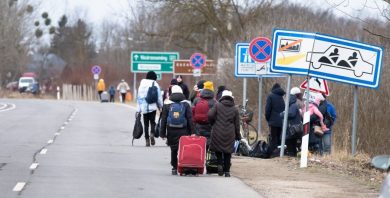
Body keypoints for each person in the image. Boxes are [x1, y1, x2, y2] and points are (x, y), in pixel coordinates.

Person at [160, 85, 193, 175]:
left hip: (171, 129)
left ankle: (174, 168)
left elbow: (163, 119)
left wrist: (162, 133)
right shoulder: (186, 103)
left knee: (173, 149)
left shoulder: (167, 103)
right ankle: (183, 166)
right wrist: (192, 132)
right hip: (183, 129)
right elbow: (190, 118)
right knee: (183, 148)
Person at [208, 90, 242, 177]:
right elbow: (237, 124)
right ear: (231, 98)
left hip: (217, 131)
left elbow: (210, 115)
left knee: (218, 150)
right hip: (230, 133)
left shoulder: (217, 105)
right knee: (228, 153)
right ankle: (227, 171)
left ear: (222, 97)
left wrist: (213, 123)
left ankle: (219, 165)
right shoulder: (235, 109)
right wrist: (238, 135)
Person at [137, 71, 163, 147]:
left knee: (146, 124)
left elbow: (139, 98)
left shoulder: (141, 85)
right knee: (152, 122)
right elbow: (159, 97)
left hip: (144, 107)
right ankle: (152, 133)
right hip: (152, 106)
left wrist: (138, 109)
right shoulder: (155, 84)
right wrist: (161, 106)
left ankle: (147, 140)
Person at [192, 81, 216, 146]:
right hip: (210, 127)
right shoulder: (214, 102)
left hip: (198, 127)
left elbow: (192, 114)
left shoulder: (197, 100)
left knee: (200, 146)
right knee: (210, 147)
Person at [265, 83, 285, 158]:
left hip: (273, 121)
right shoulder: (282, 97)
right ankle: (279, 153)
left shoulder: (270, 96)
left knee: (273, 138)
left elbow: (267, 109)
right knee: (279, 137)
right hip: (281, 121)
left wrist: (268, 119)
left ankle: (272, 154)